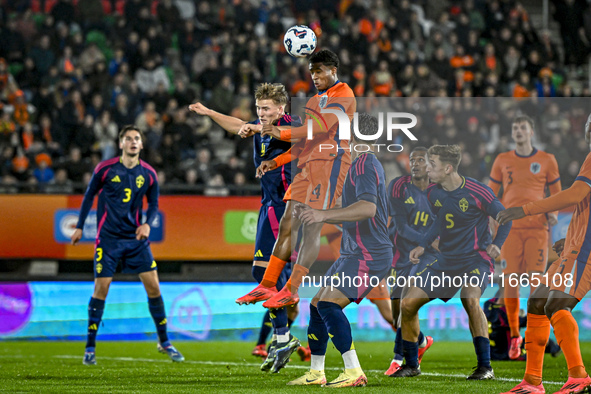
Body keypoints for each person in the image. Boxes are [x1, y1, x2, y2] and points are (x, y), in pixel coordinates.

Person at [236, 49, 355, 370]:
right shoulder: (315, 102)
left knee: (310, 225)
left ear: (332, 70)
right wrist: (276, 159)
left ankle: (291, 288)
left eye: (319, 72)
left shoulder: (343, 95)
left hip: (332, 164)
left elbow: (317, 132)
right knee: (288, 221)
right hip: (310, 165)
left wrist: (279, 132)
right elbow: (305, 144)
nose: (314, 77)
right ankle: (268, 284)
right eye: (311, 72)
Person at [188, 83, 309, 371]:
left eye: (266, 109)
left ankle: (282, 338)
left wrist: (263, 135)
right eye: (258, 109)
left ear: (281, 108)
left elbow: (304, 142)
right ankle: (282, 339)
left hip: (288, 206)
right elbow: (238, 125)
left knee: (268, 272)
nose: (261, 114)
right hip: (269, 204)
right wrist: (208, 112)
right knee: (261, 270)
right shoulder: (260, 126)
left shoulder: (292, 124)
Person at [288, 113, 392, 387]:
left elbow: (368, 209)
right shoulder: (361, 163)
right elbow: (358, 212)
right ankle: (317, 372)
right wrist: (316, 213)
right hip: (354, 251)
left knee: (328, 304)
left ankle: (354, 371)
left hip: (368, 253)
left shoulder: (365, 164)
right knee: (315, 305)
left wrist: (321, 215)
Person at [396, 145, 512, 379]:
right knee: (407, 305)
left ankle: (485, 367)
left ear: (448, 168)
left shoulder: (479, 192)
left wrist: (497, 244)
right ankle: (411, 365)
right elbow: (439, 222)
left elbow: (505, 217)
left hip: (474, 260)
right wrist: (423, 244)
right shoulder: (432, 192)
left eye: (432, 165)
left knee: (470, 299)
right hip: (445, 262)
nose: (427, 169)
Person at [71, 125, 184, 365]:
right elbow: (89, 195)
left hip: (135, 240)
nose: (133, 142)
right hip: (108, 240)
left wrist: (147, 224)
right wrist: (80, 226)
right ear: (121, 143)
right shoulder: (105, 169)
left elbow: (153, 204)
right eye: (128, 139)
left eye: (137, 139)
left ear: (141, 145)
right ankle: (90, 348)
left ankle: (164, 341)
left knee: (154, 287)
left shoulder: (149, 174)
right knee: (101, 289)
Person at [497, 114, 591, 394]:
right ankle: (532, 382)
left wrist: (525, 209)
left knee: (555, 305)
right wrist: (571, 235)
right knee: (538, 301)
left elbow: (575, 195)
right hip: (577, 244)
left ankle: (579, 376)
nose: (588, 131)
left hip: (585, 249)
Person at [488, 114, 561, 359]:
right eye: (515, 128)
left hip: (537, 229)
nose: (518, 131)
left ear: (531, 131)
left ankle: (530, 332)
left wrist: (554, 211)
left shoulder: (547, 160)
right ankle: (515, 336)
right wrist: (489, 216)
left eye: (523, 127)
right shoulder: (502, 159)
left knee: (535, 282)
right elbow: (492, 193)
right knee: (509, 282)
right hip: (509, 229)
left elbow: (556, 192)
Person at [384, 147, 434, 376]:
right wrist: (427, 240)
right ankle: (422, 341)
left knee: (406, 305)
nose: (415, 164)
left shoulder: (439, 190)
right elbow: (401, 227)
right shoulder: (398, 186)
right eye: (412, 160)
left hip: (426, 257)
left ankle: (399, 359)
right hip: (400, 253)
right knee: (397, 316)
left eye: (420, 160)